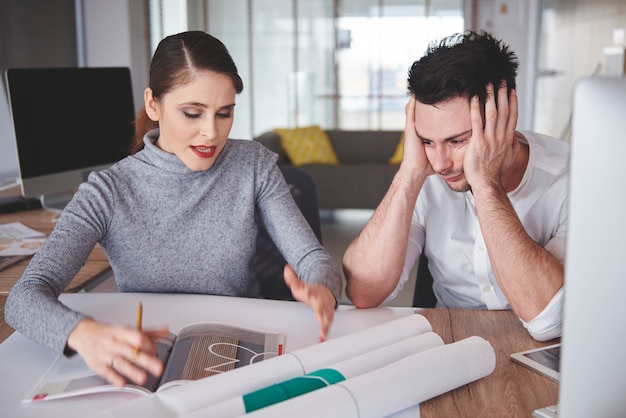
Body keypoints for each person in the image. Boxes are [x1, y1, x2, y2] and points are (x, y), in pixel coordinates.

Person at [5, 31, 342, 388]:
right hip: (150, 356)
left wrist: (321, 287)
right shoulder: (107, 191)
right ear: (153, 104)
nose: (211, 132)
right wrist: (83, 334)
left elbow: (313, 259)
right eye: (192, 113)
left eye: (224, 113)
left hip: (239, 355)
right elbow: (23, 298)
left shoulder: (252, 166)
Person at [343, 31, 568, 342]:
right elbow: (364, 292)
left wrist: (486, 184)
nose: (440, 163)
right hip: (447, 342)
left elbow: (546, 320)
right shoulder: (427, 169)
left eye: (458, 140)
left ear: (504, 118)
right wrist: (408, 174)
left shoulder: (570, 179)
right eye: (427, 141)